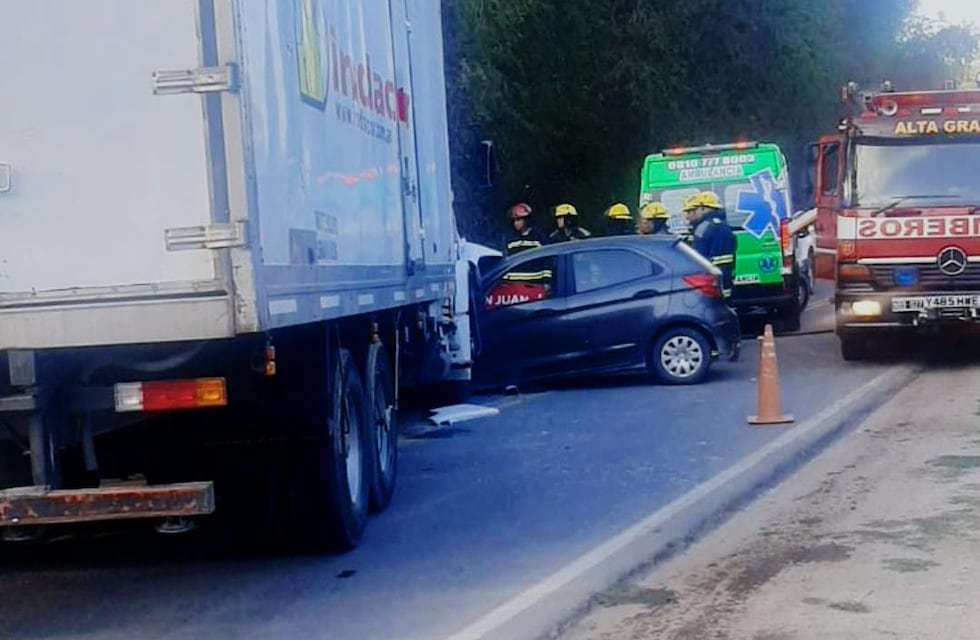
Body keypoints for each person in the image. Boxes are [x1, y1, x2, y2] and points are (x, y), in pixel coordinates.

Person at [682, 192, 736, 299]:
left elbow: (699, 257)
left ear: (704, 209)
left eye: (696, 209)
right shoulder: (722, 226)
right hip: (723, 280)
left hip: (712, 282)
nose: (689, 215)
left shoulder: (705, 227)